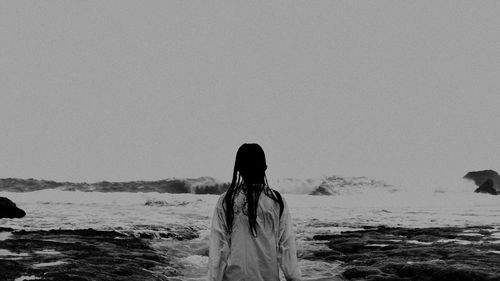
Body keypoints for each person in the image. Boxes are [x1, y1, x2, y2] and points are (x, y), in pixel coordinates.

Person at [208, 143, 301, 281]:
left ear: (239, 169)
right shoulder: (276, 201)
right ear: (265, 167)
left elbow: (218, 250)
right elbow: (286, 247)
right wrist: (294, 278)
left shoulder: (226, 201)